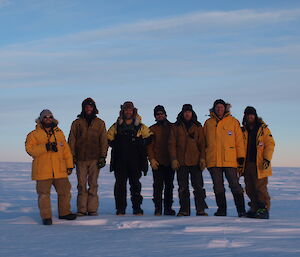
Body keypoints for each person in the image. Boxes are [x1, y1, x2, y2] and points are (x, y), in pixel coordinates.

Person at [25, 109, 76, 225]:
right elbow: (30, 150)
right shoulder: (33, 134)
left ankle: (64, 213)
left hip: (60, 170)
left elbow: (66, 151)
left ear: (52, 118)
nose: (48, 119)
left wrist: (69, 165)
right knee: (44, 195)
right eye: (45, 117)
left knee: (65, 192)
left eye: (50, 117)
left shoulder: (59, 133)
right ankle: (46, 217)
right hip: (42, 170)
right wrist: (46, 147)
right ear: (41, 119)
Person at [107, 101, 152, 216]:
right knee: (120, 186)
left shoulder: (140, 126)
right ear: (123, 111)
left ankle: (137, 208)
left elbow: (150, 136)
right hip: (120, 160)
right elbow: (108, 137)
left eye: (130, 110)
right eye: (126, 110)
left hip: (135, 161)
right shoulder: (116, 125)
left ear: (133, 111)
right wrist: (116, 144)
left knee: (135, 185)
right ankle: (120, 209)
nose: (128, 112)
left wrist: (141, 142)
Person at [204, 99, 246, 217]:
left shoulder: (233, 122)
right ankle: (221, 210)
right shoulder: (208, 123)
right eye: (217, 107)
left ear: (225, 108)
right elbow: (204, 142)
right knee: (218, 186)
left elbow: (239, 141)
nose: (219, 109)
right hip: (213, 160)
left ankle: (241, 210)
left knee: (235, 185)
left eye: (221, 107)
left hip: (230, 160)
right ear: (214, 108)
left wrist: (241, 157)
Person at [68, 98, 108, 216]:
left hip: (95, 159)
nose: (88, 109)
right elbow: (71, 140)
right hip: (80, 159)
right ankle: (81, 209)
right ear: (83, 108)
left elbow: (104, 141)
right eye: (86, 107)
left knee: (93, 184)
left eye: (90, 106)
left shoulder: (100, 123)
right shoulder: (77, 123)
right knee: (81, 184)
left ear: (94, 108)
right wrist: (72, 156)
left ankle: (92, 209)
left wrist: (102, 156)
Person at [169, 104, 208, 216]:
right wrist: (174, 159)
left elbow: (202, 144)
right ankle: (184, 210)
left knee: (198, 187)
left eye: (189, 112)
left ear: (192, 113)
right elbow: (171, 144)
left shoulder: (198, 126)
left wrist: (202, 158)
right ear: (182, 113)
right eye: (185, 112)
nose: (187, 114)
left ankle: (200, 209)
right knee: (183, 188)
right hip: (181, 162)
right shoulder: (176, 127)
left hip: (195, 161)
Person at [242, 106, 275, 219]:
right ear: (245, 116)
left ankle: (263, 209)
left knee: (260, 187)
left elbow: (270, 144)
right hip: (247, 164)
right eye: (248, 114)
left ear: (255, 116)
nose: (250, 116)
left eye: (252, 114)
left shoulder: (263, 129)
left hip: (260, 163)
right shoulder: (243, 130)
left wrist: (266, 158)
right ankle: (255, 208)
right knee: (249, 187)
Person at [147, 105, 176, 216]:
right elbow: (149, 146)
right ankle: (158, 208)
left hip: (170, 161)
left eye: (161, 114)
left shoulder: (172, 127)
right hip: (158, 162)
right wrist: (152, 159)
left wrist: (174, 159)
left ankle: (168, 208)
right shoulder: (152, 129)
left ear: (165, 114)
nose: (160, 116)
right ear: (155, 116)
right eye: (157, 114)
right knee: (158, 187)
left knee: (169, 186)